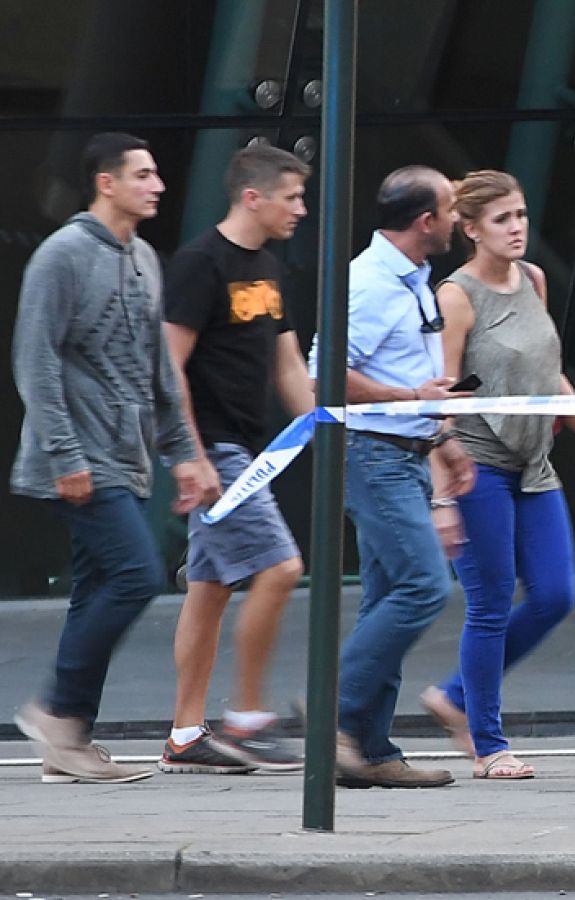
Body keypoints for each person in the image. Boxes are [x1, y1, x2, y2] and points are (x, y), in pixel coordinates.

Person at [415, 170, 575, 780]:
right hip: (475, 464)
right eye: (502, 220)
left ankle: (454, 696)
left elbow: (551, 375)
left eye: (520, 216)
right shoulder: (456, 297)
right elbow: (443, 395)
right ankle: (488, 744)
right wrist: (443, 491)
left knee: (555, 594)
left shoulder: (534, 280)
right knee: (489, 603)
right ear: (470, 229)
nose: (517, 229)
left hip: (534, 464)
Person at [11, 132, 220, 784]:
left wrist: (181, 454)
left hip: (126, 459)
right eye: (144, 174)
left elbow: (157, 369)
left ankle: (67, 748)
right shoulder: (62, 255)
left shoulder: (145, 259)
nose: (158, 185)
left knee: (98, 589)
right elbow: (35, 362)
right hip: (77, 457)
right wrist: (64, 454)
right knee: (136, 575)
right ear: (107, 183)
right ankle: (57, 712)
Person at [307, 165, 477, 789]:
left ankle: (371, 749)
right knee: (422, 586)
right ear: (426, 221)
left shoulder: (411, 278)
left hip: (403, 449)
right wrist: (410, 397)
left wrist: (440, 437)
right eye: (453, 209)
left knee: (388, 596)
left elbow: (415, 372)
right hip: (372, 450)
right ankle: (333, 711)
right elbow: (325, 372)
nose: (460, 219)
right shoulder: (374, 283)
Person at [156, 145, 315, 776]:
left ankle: (185, 734)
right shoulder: (199, 263)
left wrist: (323, 428)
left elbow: (289, 365)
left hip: (251, 449)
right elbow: (169, 368)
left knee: (210, 589)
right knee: (280, 568)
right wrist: (190, 456)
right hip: (217, 450)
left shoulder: (269, 266)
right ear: (254, 196)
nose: (301, 209)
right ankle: (248, 719)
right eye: (292, 197)